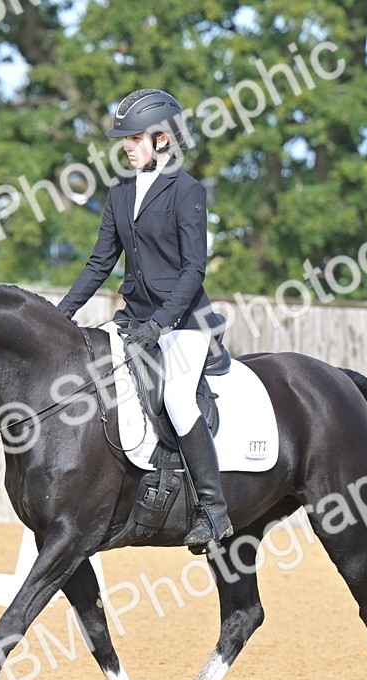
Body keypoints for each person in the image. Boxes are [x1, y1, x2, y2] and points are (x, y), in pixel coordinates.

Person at [57, 88, 232, 552]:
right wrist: (60, 314)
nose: (127, 146)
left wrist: (163, 324)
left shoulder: (187, 189)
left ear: (163, 139)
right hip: (134, 318)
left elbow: (194, 269)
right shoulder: (119, 192)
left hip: (185, 322)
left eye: (135, 138)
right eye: (126, 139)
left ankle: (213, 510)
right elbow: (100, 263)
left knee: (176, 395)